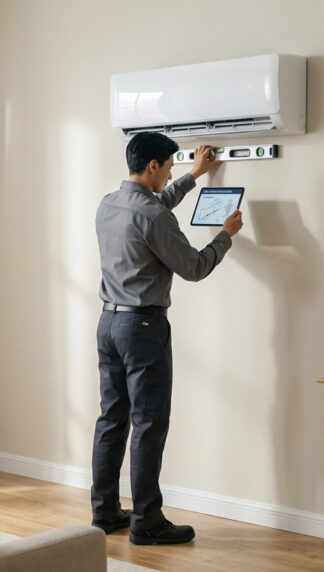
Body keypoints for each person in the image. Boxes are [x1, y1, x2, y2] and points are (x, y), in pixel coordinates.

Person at [90, 131, 243, 545]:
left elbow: (155, 207)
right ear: (153, 165)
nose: (172, 173)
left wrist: (195, 175)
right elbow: (194, 267)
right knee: (148, 425)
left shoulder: (109, 204)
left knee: (111, 420)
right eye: (171, 166)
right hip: (143, 329)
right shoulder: (154, 216)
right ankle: (147, 522)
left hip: (108, 325)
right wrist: (226, 235)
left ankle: (105, 513)